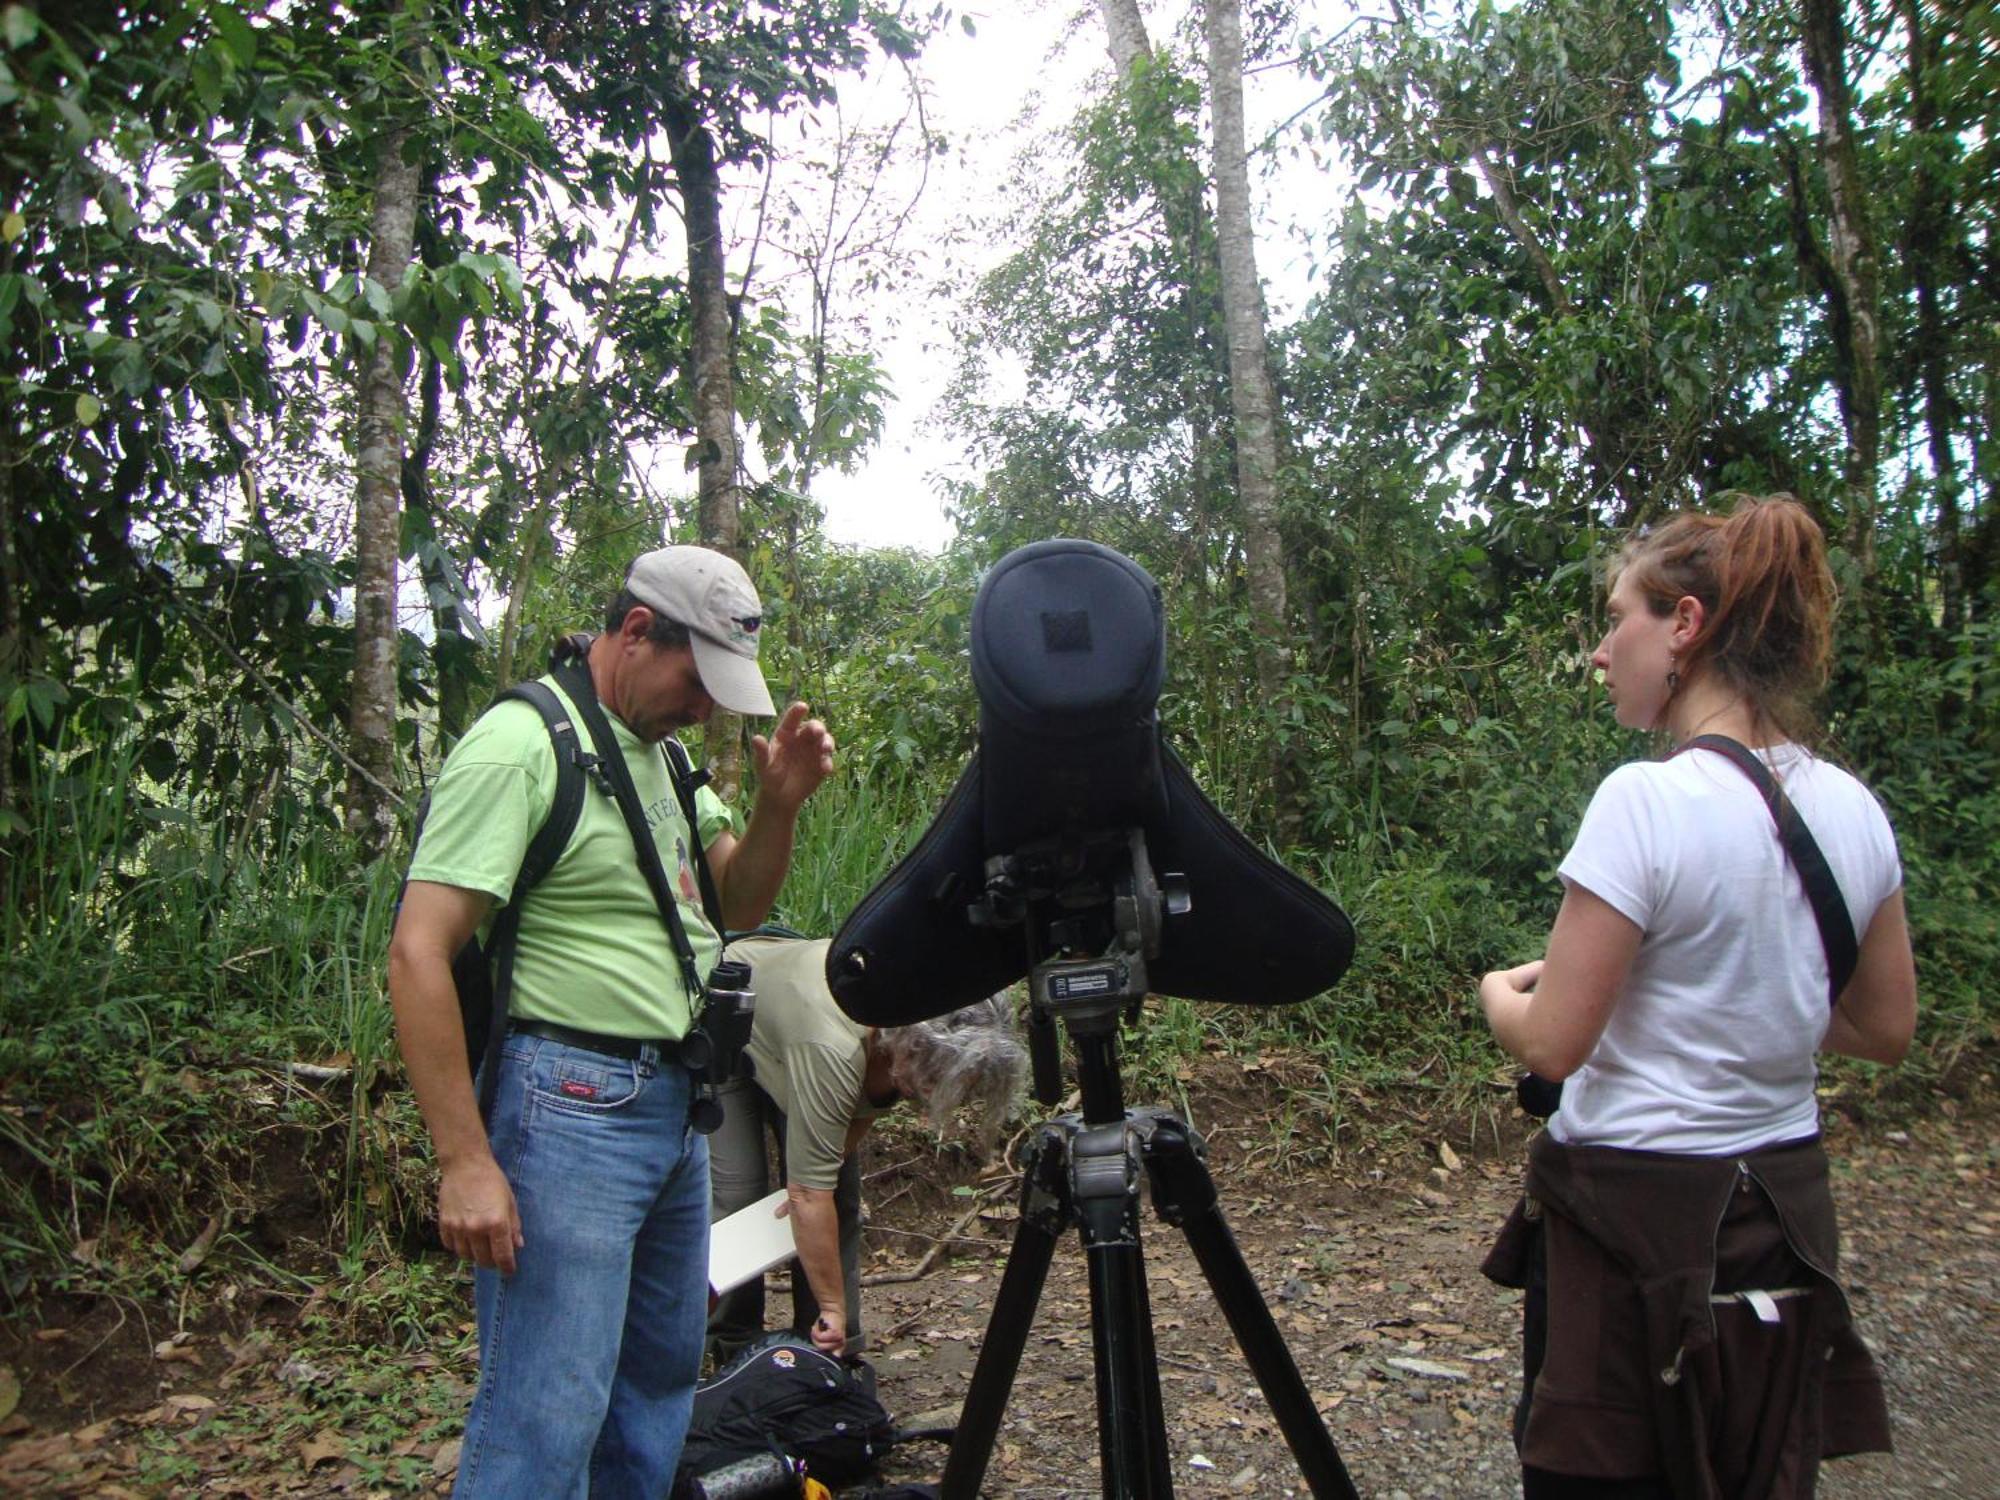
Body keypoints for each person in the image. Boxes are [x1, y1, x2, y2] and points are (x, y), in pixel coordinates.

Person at [1476, 495, 1917, 1500]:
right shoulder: (1850, 808)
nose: (1600, 651)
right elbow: (1882, 1028)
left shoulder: (1645, 800)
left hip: (1632, 1231)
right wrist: (1742, 992)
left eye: (1616, 616)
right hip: (1782, 1222)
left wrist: (1495, 994)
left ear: (1682, 626)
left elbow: (1550, 1045)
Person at [388, 545, 836, 1498]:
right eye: (695, 679)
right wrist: (465, 1161)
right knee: (547, 1409)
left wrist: (778, 810)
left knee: (654, 1391)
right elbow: (419, 951)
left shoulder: (661, 756)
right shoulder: (520, 745)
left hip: (673, 1113)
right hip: (569, 1114)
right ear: (636, 632)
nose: (705, 707)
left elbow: (737, 903)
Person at [707, 931, 1027, 1360]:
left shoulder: (905, 1022)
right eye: (936, 1079)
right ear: (916, 1049)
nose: (937, 1093)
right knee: (740, 1195)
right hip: (732, 1025)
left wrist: (817, 1178)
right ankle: (731, 1347)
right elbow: (807, 1194)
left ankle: (829, 1351)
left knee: (833, 1193)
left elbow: (863, 1112)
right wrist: (830, 1301)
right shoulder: (834, 1048)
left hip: (802, 1030)